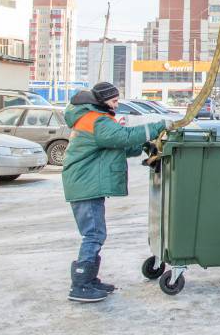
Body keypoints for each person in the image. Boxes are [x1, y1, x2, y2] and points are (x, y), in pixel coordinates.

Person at [61, 82, 167, 302]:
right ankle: (81, 284)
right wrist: (158, 126)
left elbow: (118, 145)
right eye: (114, 101)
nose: (117, 105)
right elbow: (123, 137)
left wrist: (143, 146)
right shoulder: (96, 120)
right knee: (93, 234)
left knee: (95, 233)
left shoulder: (95, 118)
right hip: (85, 185)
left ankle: (89, 279)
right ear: (101, 101)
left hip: (85, 184)